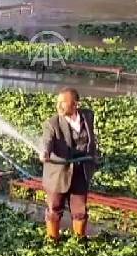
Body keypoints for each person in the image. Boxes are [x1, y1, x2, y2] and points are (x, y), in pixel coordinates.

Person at [39, 87, 99, 241]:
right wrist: (45, 152)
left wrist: (93, 157)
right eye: (58, 102)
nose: (58, 106)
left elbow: (91, 140)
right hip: (58, 175)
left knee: (80, 211)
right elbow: (47, 141)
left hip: (81, 172)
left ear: (75, 104)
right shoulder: (52, 123)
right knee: (54, 209)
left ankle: (79, 241)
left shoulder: (88, 116)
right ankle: (53, 241)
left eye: (63, 102)